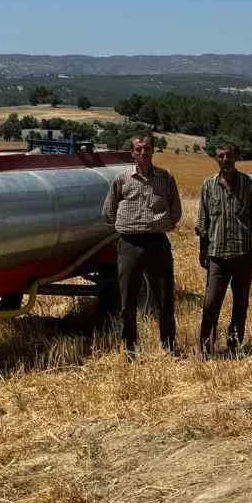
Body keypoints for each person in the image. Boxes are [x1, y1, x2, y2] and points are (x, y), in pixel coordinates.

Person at [101, 134, 183, 357]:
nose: (142, 153)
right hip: (129, 244)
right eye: (138, 149)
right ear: (132, 152)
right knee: (127, 300)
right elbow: (109, 211)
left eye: (146, 149)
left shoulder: (165, 178)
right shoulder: (122, 180)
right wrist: (125, 225)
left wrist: (167, 223)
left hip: (158, 243)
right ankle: (130, 348)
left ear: (153, 150)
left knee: (164, 298)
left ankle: (169, 345)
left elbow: (176, 209)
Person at [196, 142, 252, 356]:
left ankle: (234, 345)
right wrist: (202, 249)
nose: (225, 159)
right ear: (216, 159)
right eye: (220, 156)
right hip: (217, 255)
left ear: (236, 156)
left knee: (241, 302)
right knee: (211, 303)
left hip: (244, 253)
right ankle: (207, 348)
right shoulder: (208, 186)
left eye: (229, 155)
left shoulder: (248, 184)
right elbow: (203, 221)